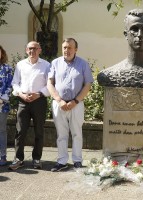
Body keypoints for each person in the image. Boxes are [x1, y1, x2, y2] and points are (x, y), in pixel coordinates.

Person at [47, 38, 94, 172]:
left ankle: (77, 161)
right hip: (59, 103)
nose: (67, 50)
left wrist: (76, 101)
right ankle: (62, 161)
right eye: (64, 48)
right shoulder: (55, 63)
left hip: (76, 104)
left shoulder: (83, 64)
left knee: (76, 133)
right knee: (61, 134)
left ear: (76, 49)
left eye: (70, 47)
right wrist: (58, 100)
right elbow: (50, 83)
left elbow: (88, 84)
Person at [9, 41, 50, 170]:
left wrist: (39, 94)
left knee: (39, 131)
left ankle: (36, 159)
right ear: (26, 50)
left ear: (40, 50)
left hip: (39, 101)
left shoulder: (46, 65)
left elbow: (50, 85)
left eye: (35, 48)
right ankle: (18, 159)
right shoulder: (20, 65)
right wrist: (20, 94)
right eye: (29, 49)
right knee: (20, 131)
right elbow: (15, 83)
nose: (32, 51)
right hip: (23, 101)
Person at [0, 45, 13, 166]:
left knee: (1, 130)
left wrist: (2, 99)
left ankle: (2, 156)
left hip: (1, 105)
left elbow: (10, 86)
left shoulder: (7, 69)